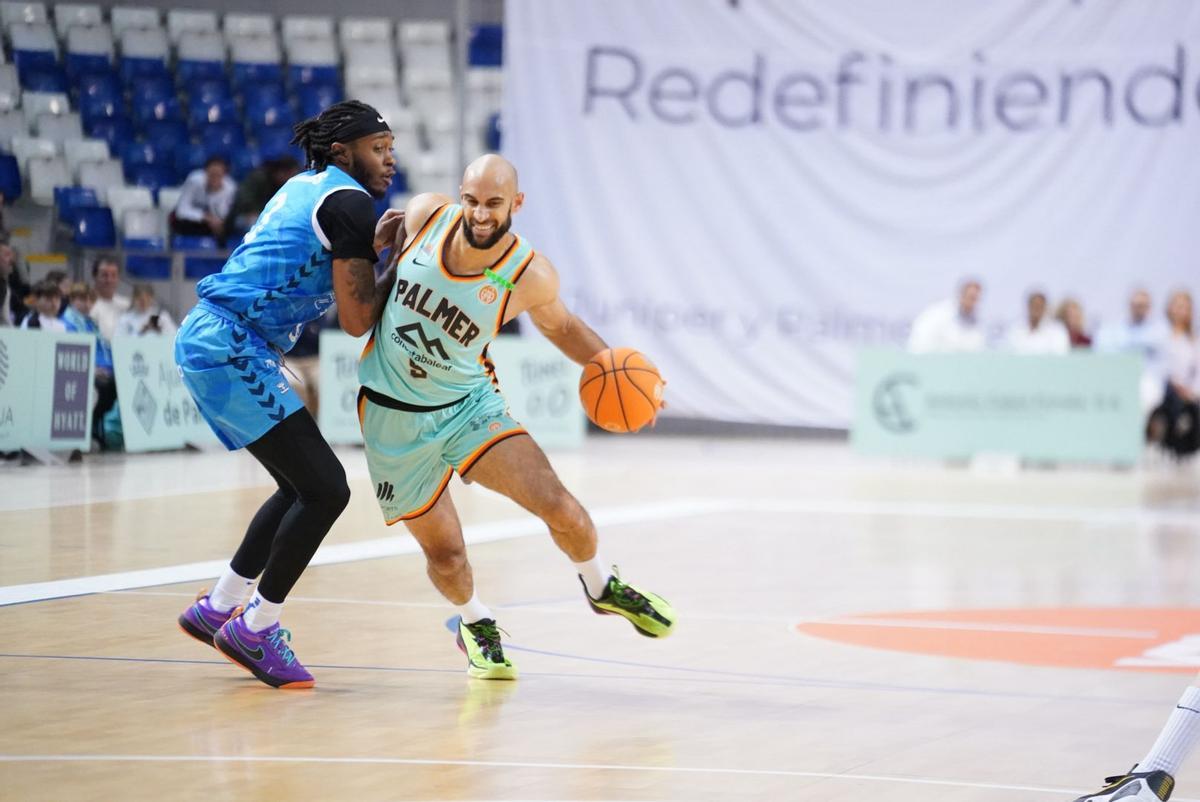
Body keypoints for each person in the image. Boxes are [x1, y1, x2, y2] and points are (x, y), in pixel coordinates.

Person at [357, 154, 675, 681]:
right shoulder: (423, 215)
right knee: (448, 557)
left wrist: (617, 373)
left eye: (494, 204)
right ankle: (474, 622)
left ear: (517, 204)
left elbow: (563, 328)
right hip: (392, 417)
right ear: (459, 195)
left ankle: (600, 586)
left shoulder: (529, 274)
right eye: (472, 201)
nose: (481, 214)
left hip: (467, 405)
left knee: (564, 509)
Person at [175, 100, 403, 689]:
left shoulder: (311, 186)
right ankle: (255, 627)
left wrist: (370, 248)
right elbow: (358, 319)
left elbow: (317, 255)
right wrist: (398, 265)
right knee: (327, 489)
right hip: (233, 345)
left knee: (300, 486)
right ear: (341, 152)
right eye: (378, 149)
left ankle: (220, 606)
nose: (390, 159)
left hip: (217, 337)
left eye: (391, 149)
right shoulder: (350, 203)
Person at [1096, 288, 1169, 413]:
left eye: (1142, 305)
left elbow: (1162, 362)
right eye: (1135, 305)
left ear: (1149, 307)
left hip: (1149, 379)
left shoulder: (1159, 330)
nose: (1138, 309)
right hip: (1120, 378)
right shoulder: (1118, 329)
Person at [1146, 289, 1200, 459]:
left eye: (1184, 307)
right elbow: (1156, 366)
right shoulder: (1158, 336)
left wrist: (1192, 391)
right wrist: (1175, 385)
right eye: (1176, 306)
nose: (1179, 311)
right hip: (1162, 388)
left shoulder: (1194, 340)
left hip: (1188, 391)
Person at [62, 282, 117, 448]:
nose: (87, 304)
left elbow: (104, 350)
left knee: (118, 384)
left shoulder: (91, 323)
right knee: (103, 386)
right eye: (82, 299)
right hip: (82, 372)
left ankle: (96, 429)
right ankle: (89, 430)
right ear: (72, 300)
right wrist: (92, 370)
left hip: (105, 370)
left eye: (90, 300)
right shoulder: (66, 323)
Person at [226, 156, 301, 239]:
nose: (292, 178)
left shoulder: (288, 185)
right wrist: (255, 212)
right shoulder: (258, 178)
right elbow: (244, 199)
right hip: (244, 215)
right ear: (280, 172)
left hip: (270, 217)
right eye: (290, 174)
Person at [171, 156, 237, 246]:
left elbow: (224, 214)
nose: (215, 178)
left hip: (216, 224)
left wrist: (216, 193)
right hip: (193, 223)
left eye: (218, 175)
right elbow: (181, 211)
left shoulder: (230, 188)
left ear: (224, 175)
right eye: (212, 174)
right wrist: (205, 217)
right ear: (205, 173)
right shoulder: (194, 181)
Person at [907, 278, 986, 353]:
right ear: (961, 295)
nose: (974, 302)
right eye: (971, 297)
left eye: (976, 298)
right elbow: (919, 343)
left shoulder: (976, 323)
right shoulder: (937, 314)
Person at [1005, 290, 1070, 354]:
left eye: (1039, 306)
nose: (1036, 310)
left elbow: (1060, 354)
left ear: (1045, 307)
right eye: (1034, 306)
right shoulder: (1015, 329)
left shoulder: (1057, 330)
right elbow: (1008, 351)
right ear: (1028, 307)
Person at [89, 256, 130, 342]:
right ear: (95, 277)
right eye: (104, 275)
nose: (109, 280)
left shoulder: (127, 305)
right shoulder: (87, 305)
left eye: (113, 275)